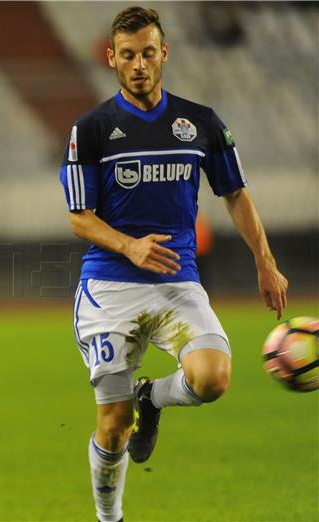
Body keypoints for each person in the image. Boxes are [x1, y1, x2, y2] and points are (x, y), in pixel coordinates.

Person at [58, 7, 287, 522]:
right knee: (113, 425)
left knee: (213, 379)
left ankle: (154, 398)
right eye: (128, 54)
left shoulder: (201, 122)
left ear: (164, 53)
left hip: (177, 282)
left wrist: (265, 263)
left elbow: (236, 194)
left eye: (147, 52)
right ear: (111, 58)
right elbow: (79, 218)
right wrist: (128, 245)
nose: (138, 63)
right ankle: (109, 517)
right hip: (110, 289)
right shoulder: (91, 129)